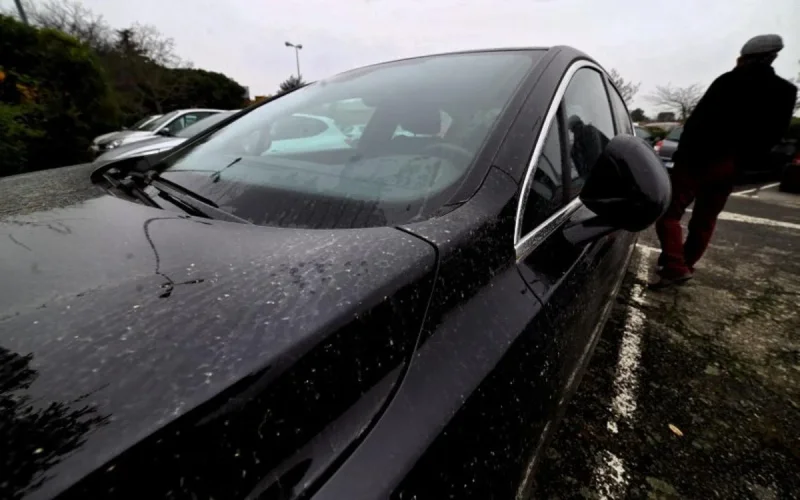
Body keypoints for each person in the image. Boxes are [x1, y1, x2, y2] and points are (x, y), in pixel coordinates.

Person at [651, 34, 797, 289]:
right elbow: (773, 136)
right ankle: (683, 265)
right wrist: (743, 165)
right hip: (731, 167)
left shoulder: (728, 81)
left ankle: (674, 265)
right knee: (705, 220)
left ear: (746, 57)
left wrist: (681, 156)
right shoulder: (785, 91)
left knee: (669, 213)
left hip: (697, 160)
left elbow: (697, 123)